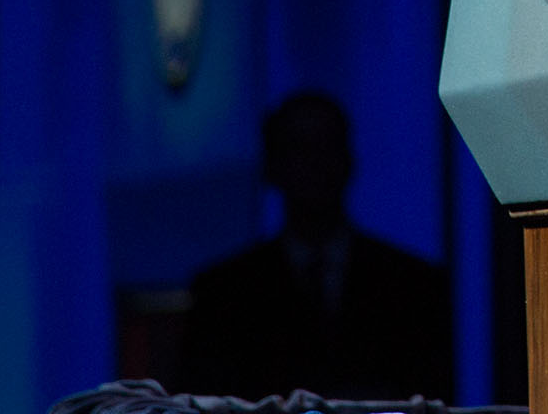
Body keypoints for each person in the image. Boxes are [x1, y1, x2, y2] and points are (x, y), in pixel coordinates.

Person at [178, 91, 452, 401]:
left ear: (347, 160)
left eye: (325, 146)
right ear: (273, 166)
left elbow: (432, 392)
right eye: (298, 148)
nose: (313, 163)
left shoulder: (413, 286)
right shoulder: (223, 293)